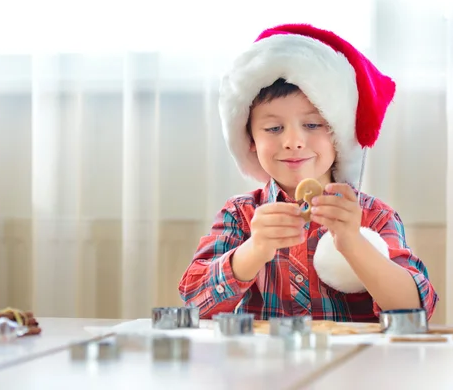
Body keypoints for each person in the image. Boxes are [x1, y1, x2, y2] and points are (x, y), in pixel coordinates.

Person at [178, 23, 439, 322]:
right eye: (274, 128)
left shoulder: (373, 216)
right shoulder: (240, 216)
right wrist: (254, 249)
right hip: (263, 366)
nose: (293, 142)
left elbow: (415, 311)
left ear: (339, 134)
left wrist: (354, 244)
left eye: (313, 125)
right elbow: (194, 305)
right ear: (251, 140)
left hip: (354, 366)